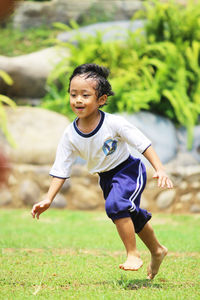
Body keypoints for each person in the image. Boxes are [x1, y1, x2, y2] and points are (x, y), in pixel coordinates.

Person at [31, 63, 173, 280]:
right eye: (73, 94)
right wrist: (48, 198)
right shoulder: (70, 134)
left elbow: (142, 143)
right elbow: (61, 168)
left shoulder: (114, 123)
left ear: (101, 100)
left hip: (129, 170)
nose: (78, 100)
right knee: (130, 216)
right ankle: (157, 250)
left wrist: (160, 169)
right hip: (106, 178)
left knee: (116, 205)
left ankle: (133, 254)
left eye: (85, 95)